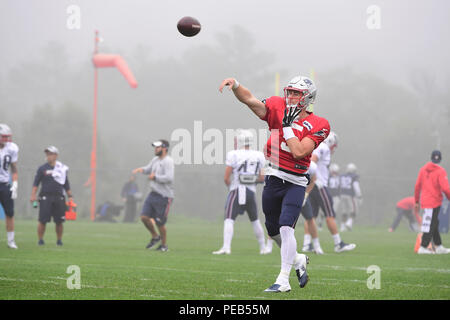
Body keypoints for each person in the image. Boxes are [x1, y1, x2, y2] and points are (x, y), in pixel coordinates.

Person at [219, 75, 325, 293]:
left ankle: (283, 280)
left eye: (297, 93)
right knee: (272, 229)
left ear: (308, 97)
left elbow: (299, 152)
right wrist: (237, 86)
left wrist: (286, 127)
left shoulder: (319, 124)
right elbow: (251, 101)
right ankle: (297, 259)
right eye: (291, 92)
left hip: (295, 181)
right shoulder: (278, 105)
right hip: (273, 177)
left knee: (287, 227)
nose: (292, 96)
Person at [213, 130, 267, 255]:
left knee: (229, 219)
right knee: (255, 220)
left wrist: (231, 187)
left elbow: (226, 177)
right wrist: (251, 180)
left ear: (241, 141)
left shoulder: (233, 154)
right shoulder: (259, 155)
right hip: (251, 191)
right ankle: (263, 247)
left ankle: (226, 247)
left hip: (237, 190)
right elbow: (263, 178)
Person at [309, 132, 356, 252]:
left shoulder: (319, 147)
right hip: (320, 185)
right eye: (334, 145)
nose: (334, 148)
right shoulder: (323, 147)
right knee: (330, 215)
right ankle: (338, 244)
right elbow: (312, 162)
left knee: (312, 216)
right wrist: (316, 179)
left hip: (314, 185)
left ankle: (312, 245)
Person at [133, 139, 174, 252]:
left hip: (164, 196)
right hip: (153, 194)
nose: (155, 149)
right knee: (144, 217)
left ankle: (164, 246)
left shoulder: (168, 161)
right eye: (155, 147)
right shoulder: (155, 159)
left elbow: (169, 178)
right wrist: (141, 169)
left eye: (158, 147)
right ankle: (155, 237)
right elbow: (148, 169)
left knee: (160, 222)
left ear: (164, 148)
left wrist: (155, 177)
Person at [30, 146, 73, 246]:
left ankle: (59, 240)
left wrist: (70, 196)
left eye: (51, 154)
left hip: (59, 197)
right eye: (47, 154)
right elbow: (36, 183)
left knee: (59, 221)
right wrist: (33, 195)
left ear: (56, 155)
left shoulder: (61, 168)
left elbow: (66, 183)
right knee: (42, 220)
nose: (48, 156)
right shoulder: (42, 168)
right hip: (45, 197)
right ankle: (40, 240)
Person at [414, 150, 450, 254]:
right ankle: (423, 247)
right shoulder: (441, 171)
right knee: (430, 223)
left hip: (425, 201)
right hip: (435, 201)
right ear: (440, 159)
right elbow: (446, 188)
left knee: (434, 222)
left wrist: (416, 201)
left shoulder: (422, 170)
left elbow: (417, 186)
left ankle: (438, 246)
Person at [0, 124, 19, 249]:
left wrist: (15, 184)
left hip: (5, 184)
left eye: (7, 137)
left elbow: (14, 169)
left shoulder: (12, 148)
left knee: (10, 213)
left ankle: (11, 241)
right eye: (3, 137)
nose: (6, 139)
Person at [301, 160, 324, 254]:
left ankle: (316, 246)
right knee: (278, 217)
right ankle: (268, 245)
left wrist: (305, 194)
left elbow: (313, 180)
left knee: (310, 218)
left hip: (301, 193)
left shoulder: (311, 165)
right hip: (288, 192)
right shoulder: (290, 159)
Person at [338, 163, 363, 231]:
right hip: (350, 195)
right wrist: (359, 195)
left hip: (342, 194)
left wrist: (339, 194)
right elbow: (356, 186)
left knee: (344, 211)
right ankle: (349, 223)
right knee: (354, 210)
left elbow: (339, 185)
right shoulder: (354, 177)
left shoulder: (342, 176)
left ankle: (342, 227)